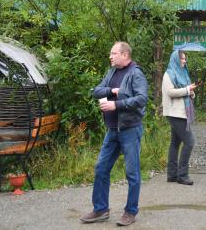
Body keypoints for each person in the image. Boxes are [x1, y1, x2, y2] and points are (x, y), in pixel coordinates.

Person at [80, 42, 148, 226]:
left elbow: (142, 99)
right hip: (112, 130)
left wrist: (115, 104)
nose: (110, 56)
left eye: (114, 53)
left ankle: (130, 212)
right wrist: (112, 91)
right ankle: (101, 209)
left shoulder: (136, 73)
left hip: (130, 129)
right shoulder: (111, 73)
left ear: (125, 55)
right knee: (101, 169)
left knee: (132, 173)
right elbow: (96, 91)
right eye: (110, 53)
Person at [162, 50, 197, 185]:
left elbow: (186, 91)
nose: (184, 61)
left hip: (181, 112)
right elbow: (170, 92)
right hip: (174, 113)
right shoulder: (168, 74)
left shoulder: (183, 73)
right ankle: (182, 175)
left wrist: (191, 92)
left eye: (185, 59)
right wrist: (187, 89)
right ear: (175, 59)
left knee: (175, 143)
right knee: (190, 141)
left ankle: (172, 175)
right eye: (182, 59)